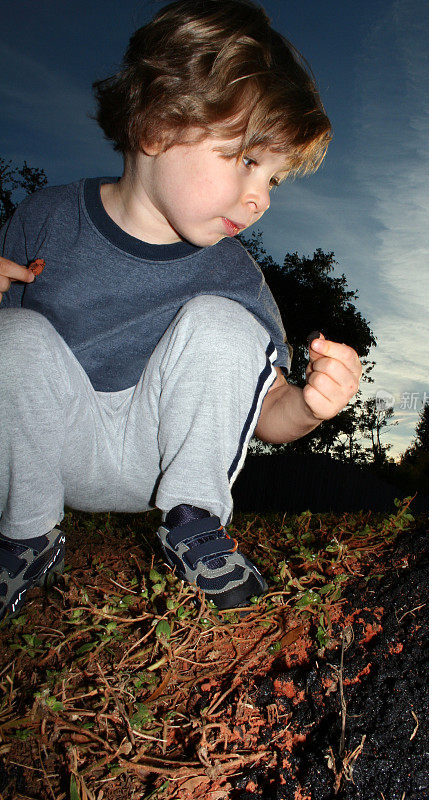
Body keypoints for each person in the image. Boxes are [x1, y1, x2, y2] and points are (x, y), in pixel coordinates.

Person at [0, 0, 361, 620]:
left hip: (163, 453)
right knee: (15, 333)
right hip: (56, 447)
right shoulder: (45, 219)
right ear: (158, 125)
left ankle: (193, 526)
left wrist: (305, 407)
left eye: (273, 180)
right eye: (250, 161)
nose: (261, 200)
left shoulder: (233, 272)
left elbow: (265, 409)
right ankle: (25, 536)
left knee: (223, 323)